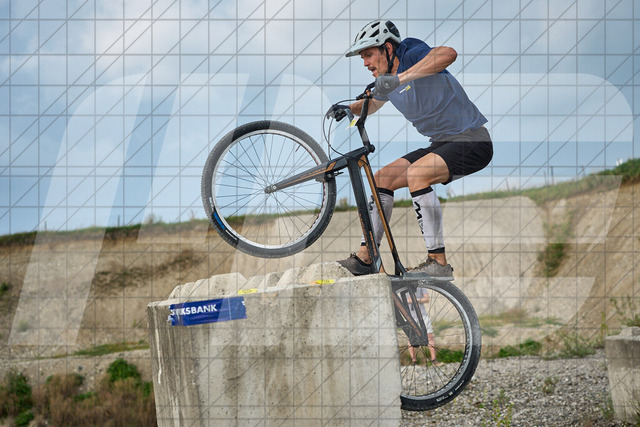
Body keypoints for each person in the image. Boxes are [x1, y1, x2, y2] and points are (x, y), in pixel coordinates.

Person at [333, 20, 493, 280]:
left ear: (387, 48)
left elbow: (448, 54)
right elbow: (372, 104)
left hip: (472, 140)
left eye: (368, 54)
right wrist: (348, 109)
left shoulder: (410, 53)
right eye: (362, 58)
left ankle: (438, 262)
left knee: (417, 174)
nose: (365, 63)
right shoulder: (385, 82)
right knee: (382, 179)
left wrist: (399, 79)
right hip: (441, 144)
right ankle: (365, 258)